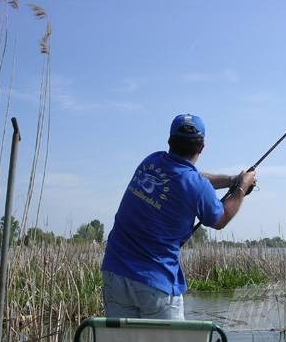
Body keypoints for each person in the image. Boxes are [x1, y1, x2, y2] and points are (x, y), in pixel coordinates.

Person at [101, 114, 256, 320]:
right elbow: (221, 218)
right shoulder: (196, 186)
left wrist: (231, 180)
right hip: (155, 282)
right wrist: (241, 188)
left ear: (169, 141)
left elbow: (194, 176)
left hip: (114, 273)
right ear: (202, 147)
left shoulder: (152, 161)